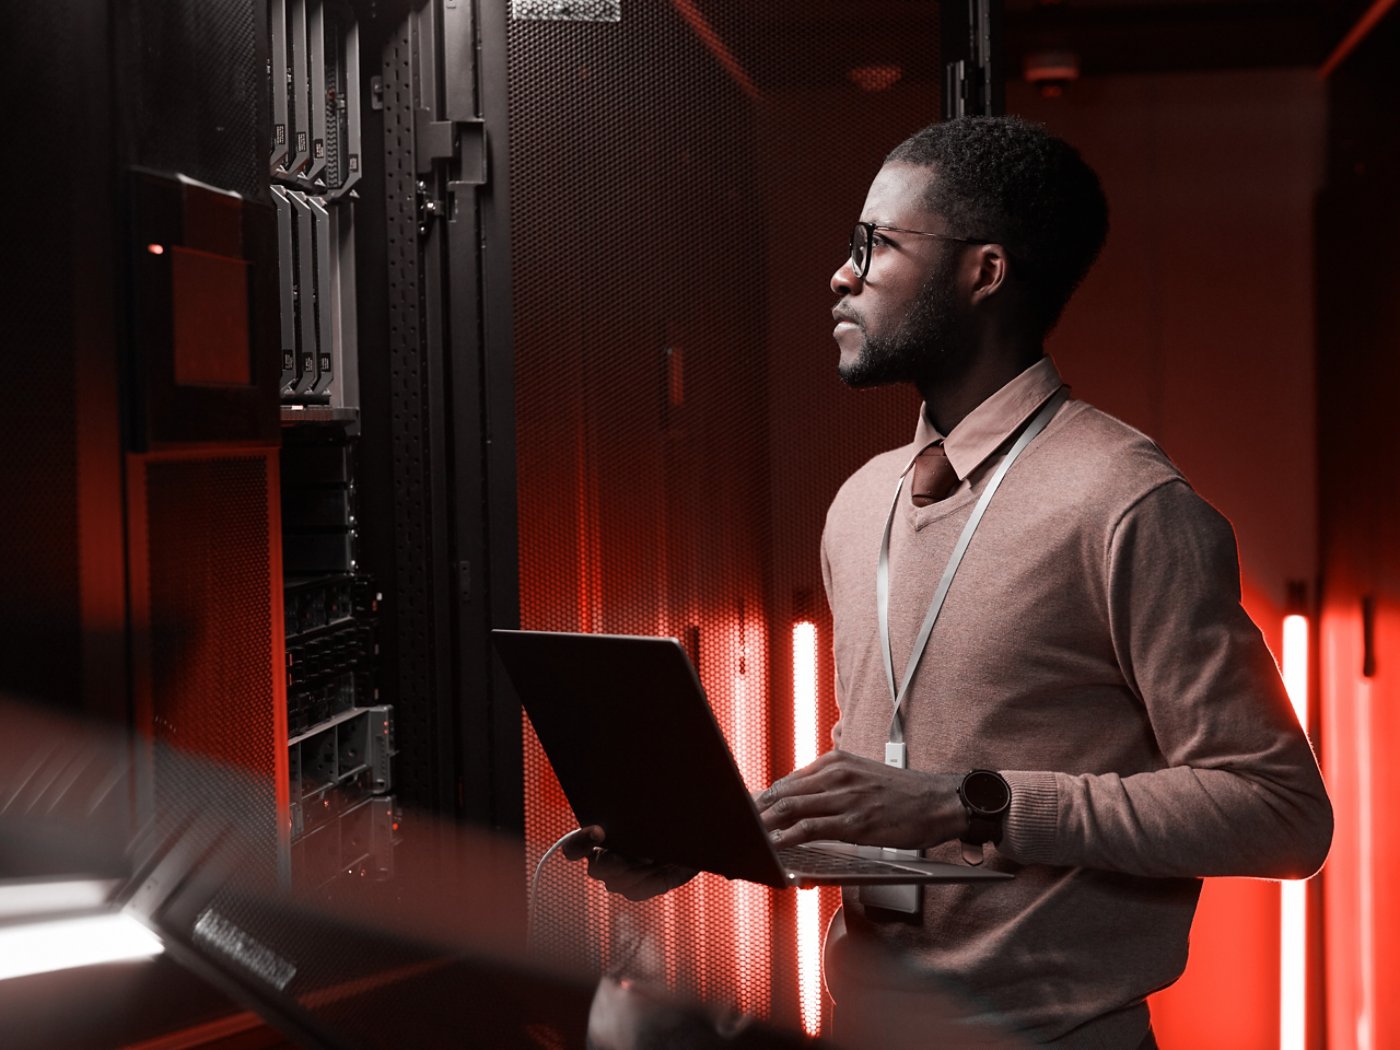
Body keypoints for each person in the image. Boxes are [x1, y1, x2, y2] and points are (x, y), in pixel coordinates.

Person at [568, 116, 1333, 1049]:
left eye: (875, 245)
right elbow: (889, 780)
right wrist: (714, 840)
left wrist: (971, 805)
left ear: (985, 273)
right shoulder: (860, 505)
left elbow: (1281, 812)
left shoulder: (1128, 502)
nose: (841, 274)